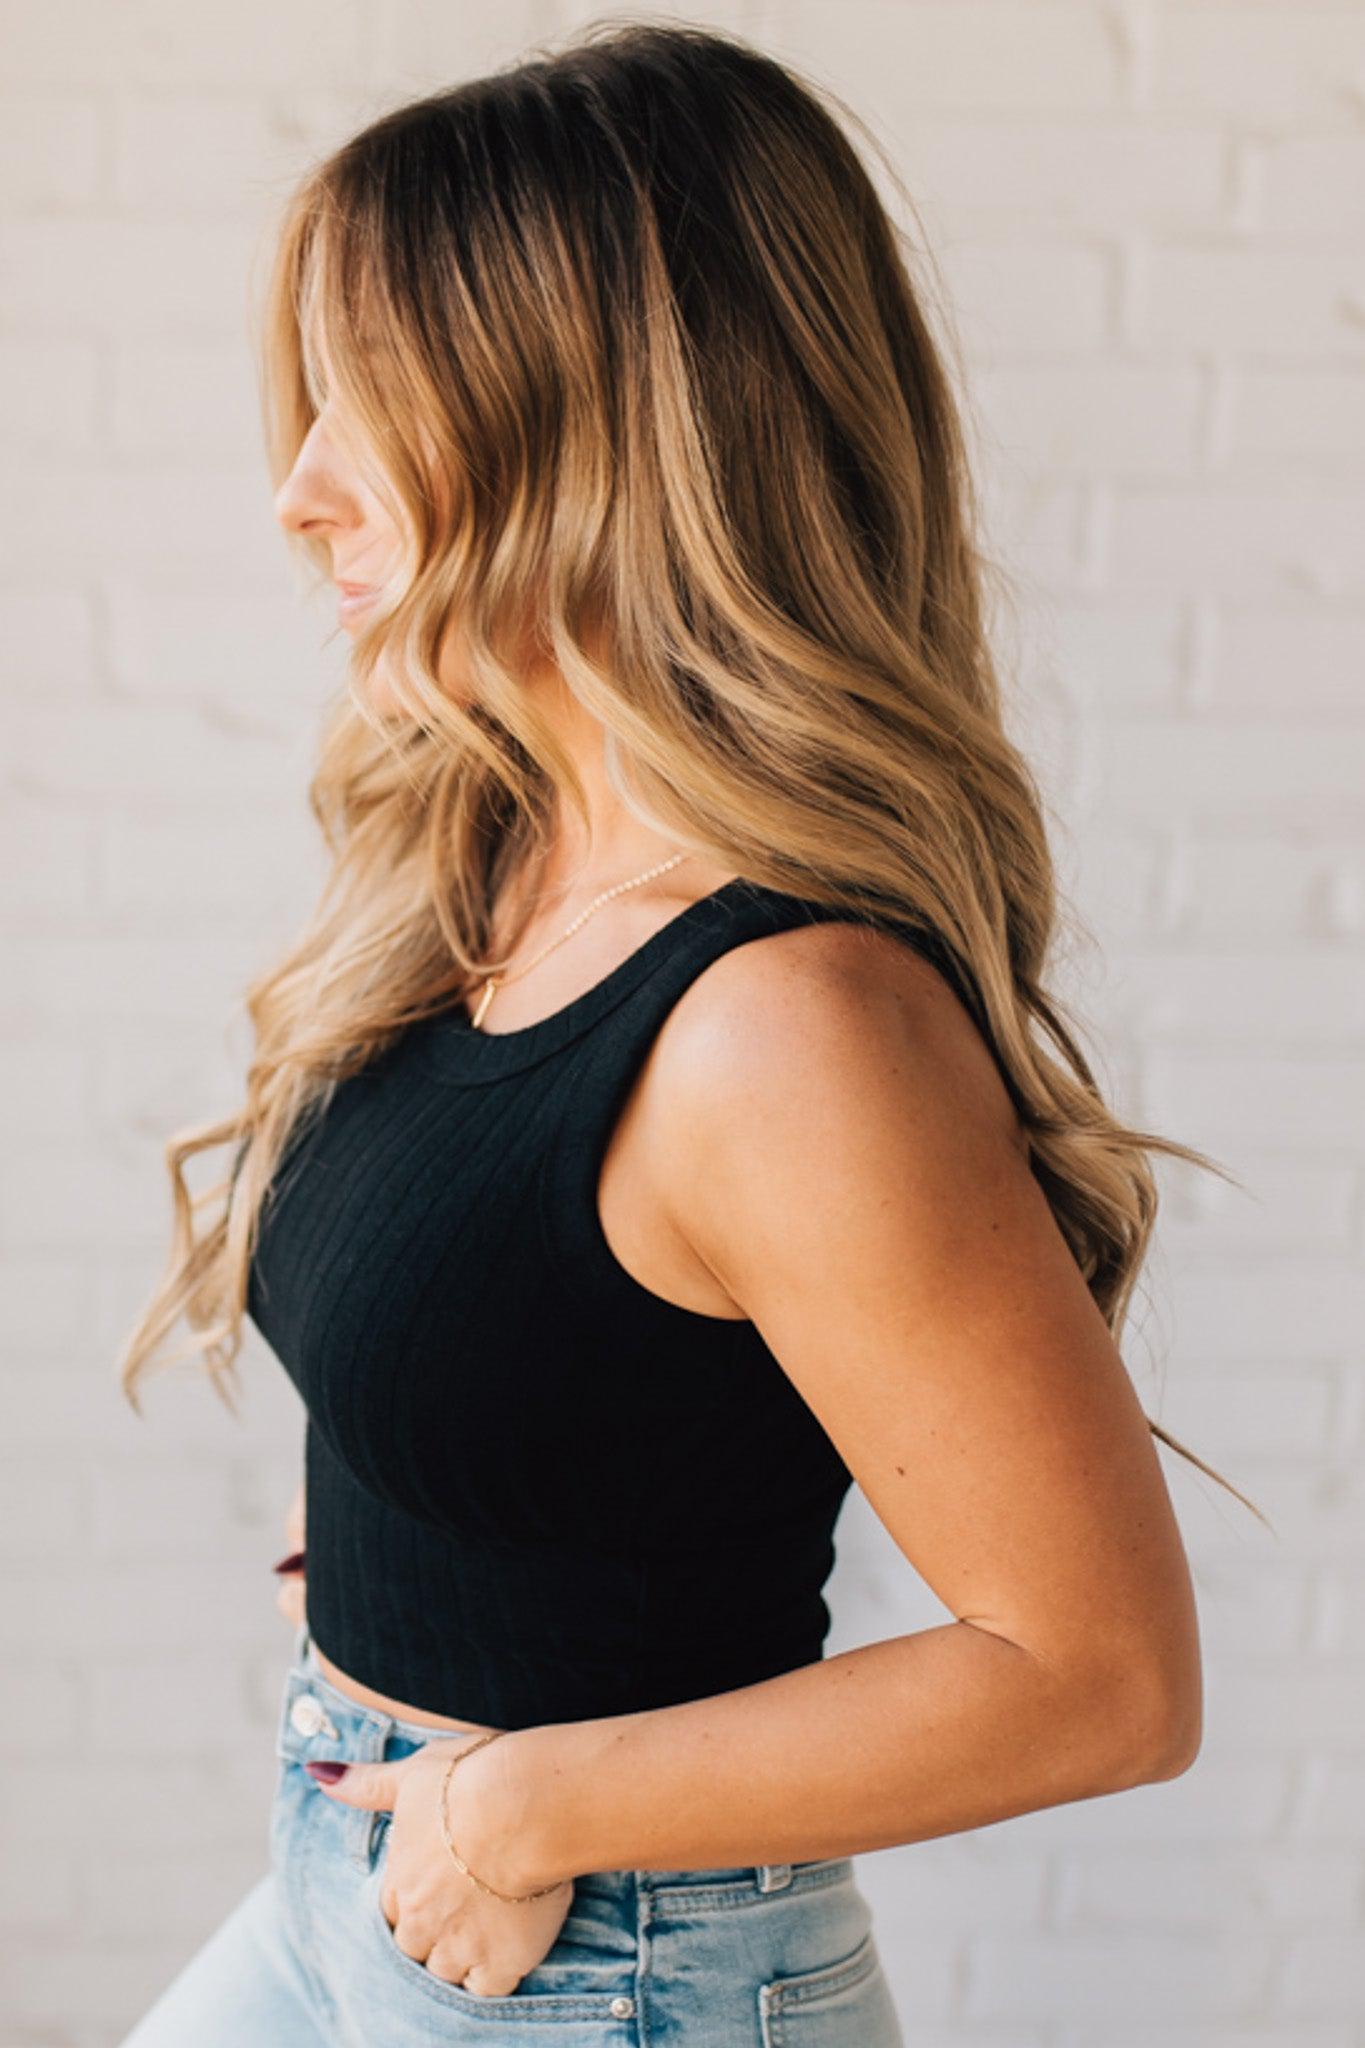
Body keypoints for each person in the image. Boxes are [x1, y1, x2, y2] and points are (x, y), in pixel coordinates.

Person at [114, 21, 1260, 2045]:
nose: (301, 491)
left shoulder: (787, 1025)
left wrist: (526, 1793)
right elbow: (560, 1334)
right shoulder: (499, 845)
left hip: (592, 1962)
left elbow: (1098, 1672)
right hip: (350, 1877)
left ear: (598, 433)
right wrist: (434, 1501)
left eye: (371, 402)